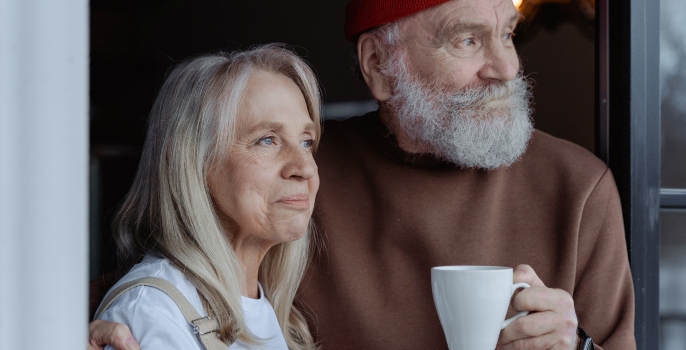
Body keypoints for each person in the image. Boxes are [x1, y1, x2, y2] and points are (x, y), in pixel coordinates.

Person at [90, 0, 636, 349]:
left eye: (508, 34)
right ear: (378, 64)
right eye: (468, 39)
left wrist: (580, 347)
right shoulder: (293, 181)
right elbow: (160, 281)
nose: (507, 67)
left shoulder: (578, 186)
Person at [92, 44, 322, 350]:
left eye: (306, 142)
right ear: (194, 163)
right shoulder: (153, 314)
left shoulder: (272, 312)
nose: (305, 167)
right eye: (267, 139)